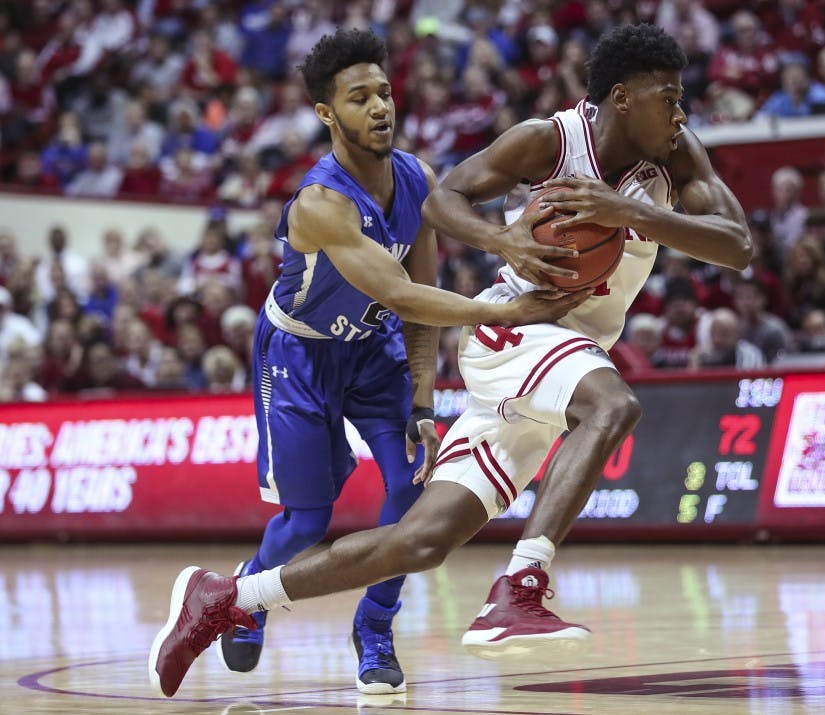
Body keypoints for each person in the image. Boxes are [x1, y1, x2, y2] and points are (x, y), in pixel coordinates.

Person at [148, 24, 750, 697]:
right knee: (613, 405)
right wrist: (505, 242)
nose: (680, 112)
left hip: (557, 353)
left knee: (419, 538)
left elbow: (736, 245)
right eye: (666, 98)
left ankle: (227, 597)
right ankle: (522, 585)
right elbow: (443, 212)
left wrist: (622, 211)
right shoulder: (546, 140)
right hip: (513, 331)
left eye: (680, 99)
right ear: (619, 99)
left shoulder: (674, 154)